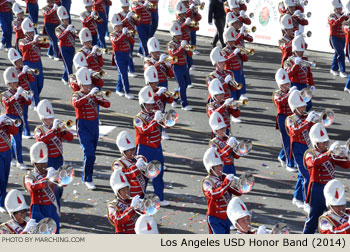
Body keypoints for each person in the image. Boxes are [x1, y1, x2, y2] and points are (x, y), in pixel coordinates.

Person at [303, 123, 350, 234]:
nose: (325, 144)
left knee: (336, 217)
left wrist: (346, 154)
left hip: (331, 189)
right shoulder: (310, 154)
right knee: (314, 217)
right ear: (315, 142)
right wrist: (329, 154)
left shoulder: (329, 153)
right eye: (323, 142)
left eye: (326, 142)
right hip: (318, 189)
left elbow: (347, 165)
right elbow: (312, 162)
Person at [71, 67, 110, 190]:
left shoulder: (94, 94)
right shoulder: (76, 95)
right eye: (85, 85)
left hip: (94, 125)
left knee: (92, 153)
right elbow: (76, 104)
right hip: (83, 126)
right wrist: (89, 96)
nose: (88, 87)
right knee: (89, 153)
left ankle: (87, 174)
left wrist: (99, 97)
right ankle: (87, 178)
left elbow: (107, 105)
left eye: (89, 85)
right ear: (80, 84)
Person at [134, 86, 169, 206]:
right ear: (142, 104)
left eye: (151, 104)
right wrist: (155, 120)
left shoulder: (154, 114)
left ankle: (159, 197)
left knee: (158, 173)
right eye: (148, 104)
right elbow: (144, 131)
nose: (150, 107)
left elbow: (167, 125)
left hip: (157, 148)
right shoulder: (138, 118)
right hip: (144, 149)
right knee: (143, 175)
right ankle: (140, 197)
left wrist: (163, 118)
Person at [35, 99, 74, 207]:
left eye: (52, 118)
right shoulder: (39, 129)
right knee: (54, 187)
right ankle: (56, 211)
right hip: (48, 161)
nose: (51, 120)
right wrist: (53, 129)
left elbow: (70, 138)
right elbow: (40, 140)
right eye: (48, 119)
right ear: (43, 119)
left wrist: (63, 130)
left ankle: (56, 203)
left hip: (59, 159)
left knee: (61, 186)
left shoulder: (57, 127)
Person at [286, 89, 316, 213]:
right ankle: (306, 202)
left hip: (307, 148)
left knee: (302, 174)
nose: (304, 107)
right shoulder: (290, 119)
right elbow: (295, 131)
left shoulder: (305, 116)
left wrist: (316, 120)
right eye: (301, 106)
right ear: (295, 108)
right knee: (307, 176)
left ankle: (297, 197)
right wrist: (308, 120)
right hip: (298, 150)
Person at [201, 147, 241, 234]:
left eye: (220, 165)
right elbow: (214, 195)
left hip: (227, 216)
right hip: (215, 217)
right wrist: (227, 182)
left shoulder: (223, 178)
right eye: (217, 166)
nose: (220, 168)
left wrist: (239, 185)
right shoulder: (207, 182)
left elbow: (237, 193)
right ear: (211, 168)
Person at [24, 142, 60, 233]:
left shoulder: (49, 172)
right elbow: (31, 187)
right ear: (34, 163)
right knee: (39, 232)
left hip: (51, 206)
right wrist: (47, 179)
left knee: (54, 230)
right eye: (40, 163)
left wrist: (56, 175)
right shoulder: (29, 176)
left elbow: (62, 183)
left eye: (45, 163)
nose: (43, 165)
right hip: (38, 208)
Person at [1, 67, 31, 170]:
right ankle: (19, 161)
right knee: (14, 140)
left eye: (15, 82)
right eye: (12, 83)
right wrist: (17, 95)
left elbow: (28, 103)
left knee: (17, 140)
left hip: (19, 118)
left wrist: (25, 96)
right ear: (8, 84)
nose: (15, 85)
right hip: (10, 119)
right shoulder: (5, 95)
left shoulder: (19, 91)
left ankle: (13, 158)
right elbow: (7, 104)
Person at [19, 18, 49, 107]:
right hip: (28, 63)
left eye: (32, 32)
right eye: (30, 32)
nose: (32, 34)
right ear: (26, 33)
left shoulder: (36, 39)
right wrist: (33, 42)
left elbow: (47, 44)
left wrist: (41, 39)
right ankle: (36, 102)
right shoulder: (22, 41)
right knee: (33, 84)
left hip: (38, 63)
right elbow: (23, 48)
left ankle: (33, 97)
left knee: (40, 83)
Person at [7, 48, 34, 139]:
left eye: (21, 60)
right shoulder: (13, 72)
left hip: (25, 93)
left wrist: (29, 73)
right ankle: (26, 131)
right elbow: (16, 80)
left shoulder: (24, 69)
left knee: (25, 113)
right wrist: (23, 72)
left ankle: (25, 130)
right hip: (19, 93)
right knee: (22, 113)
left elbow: (31, 80)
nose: (21, 62)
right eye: (18, 61)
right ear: (15, 63)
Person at [273, 68, 296, 172]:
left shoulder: (291, 91)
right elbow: (280, 103)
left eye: (288, 83)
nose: (287, 85)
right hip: (282, 118)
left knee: (291, 140)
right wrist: (289, 94)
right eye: (285, 84)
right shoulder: (277, 94)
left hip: (291, 117)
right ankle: (289, 164)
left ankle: (282, 156)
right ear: (280, 85)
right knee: (287, 141)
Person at [284, 34, 314, 111]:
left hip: (303, 85)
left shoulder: (305, 59)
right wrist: (296, 65)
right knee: (295, 105)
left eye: (302, 51)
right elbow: (288, 74)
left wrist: (311, 84)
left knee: (308, 104)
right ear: (295, 51)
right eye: (299, 51)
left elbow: (309, 73)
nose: (301, 53)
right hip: (294, 85)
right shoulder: (289, 60)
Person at [113, 131, 147, 198]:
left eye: (133, 149)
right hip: (128, 196)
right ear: (123, 152)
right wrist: (136, 167)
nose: (132, 152)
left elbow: (146, 176)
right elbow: (124, 175)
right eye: (129, 150)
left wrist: (145, 167)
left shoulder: (139, 159)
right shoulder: (118, 163)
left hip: (140, 192)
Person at [143, 66, 174, 140]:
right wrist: (158, 94)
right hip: (150, 117)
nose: (155, 85)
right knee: (152, 135)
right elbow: (149, 99)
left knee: (157, 137)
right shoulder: (144, 91)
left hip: (160, 115)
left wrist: (167, 95)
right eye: (153, 83)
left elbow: (170, 101)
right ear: (148, 83)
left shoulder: (159, 90)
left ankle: (162, 132)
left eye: (156, 82)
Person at [167, 22, 192, 110]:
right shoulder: (170, 44)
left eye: (180, 35)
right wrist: (182, 47)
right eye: (177, 35)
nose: (180, 37)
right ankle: (184, 104)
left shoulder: (182, 43)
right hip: (176, 67)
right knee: (182, 85)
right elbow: (174, 54)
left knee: (184, 85)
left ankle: (175, 98)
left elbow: (189, 54)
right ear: (173, 36)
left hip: (184, 65)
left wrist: (187, 48)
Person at [110, 13, 135, 99]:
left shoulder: (124, 33)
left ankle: (118, 89)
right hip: (119, 55)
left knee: (122, 73)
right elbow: (116, 42)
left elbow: (132, 42)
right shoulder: (112, 35)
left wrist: (128, 35)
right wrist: (124, 35)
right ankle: (127, 91)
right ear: (114, 27)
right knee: (124, 74)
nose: (120, 27)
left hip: (126, 54)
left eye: (120, 25)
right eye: (117, 26)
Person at [107, 168, 140, 234]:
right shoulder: (112, 205)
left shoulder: (131, 201)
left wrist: (142, 207)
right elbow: (117, 220)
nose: (126, 192)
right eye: (123, 190)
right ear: (117, 192)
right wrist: (131, 208)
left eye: (127, 189)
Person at [222, 27, 248, 102]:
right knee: (232, 92)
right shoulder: (224, 51)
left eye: (233, 41)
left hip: (238, 72)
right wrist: (233, 54)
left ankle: (237, 103)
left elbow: (245, 59)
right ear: (226, 41)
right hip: (230, 73)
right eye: (231, 41)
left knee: (238, 90)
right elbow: (225, 62)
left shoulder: (236, 49)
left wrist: (242, 53)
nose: (233, 43)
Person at [0, 114, 18, 213]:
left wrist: (11, 124)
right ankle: (0, 202)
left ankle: (1, 201)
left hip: (6, 152)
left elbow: (14, 132)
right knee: (1, 177)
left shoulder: (4, 121)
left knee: (5, 178)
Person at [118, 0, 140, 78]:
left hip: (132, 35)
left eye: (127, 7)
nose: (127, 9)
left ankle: (129, 68)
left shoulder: (131, 13)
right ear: (122, 7)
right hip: (124, 35)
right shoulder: (119, 15)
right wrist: (127, 18)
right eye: (125, 7)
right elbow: (119, 25)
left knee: (130, 52)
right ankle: (130, 70)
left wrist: (136, 18)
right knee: (129, 53)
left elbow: (137, 23)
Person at [56, 6, 76, 86]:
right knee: (68, 65)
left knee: (69, 64)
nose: (67, 21)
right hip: (64, 48)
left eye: (67, 19)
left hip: (71, 47)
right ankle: (71, 81)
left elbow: (76, 36)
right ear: (62, 20)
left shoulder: (71, 27)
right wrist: (67, 30)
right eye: (65, 19)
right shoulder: (58, 28)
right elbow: (61, 37)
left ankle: (64, 77)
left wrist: (74, 32)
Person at [329, 0, 348, 78]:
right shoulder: (332, 16)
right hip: (334, 37)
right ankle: (342, 71)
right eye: (338, 8)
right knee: (341, 54)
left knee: (337, 53)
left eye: (341, 8)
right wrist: (343, 17)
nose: (340, 10)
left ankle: (333, 69)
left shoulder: (343, 16)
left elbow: (347, 22)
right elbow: (334, 24)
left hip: (342, 37)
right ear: (335, 9)